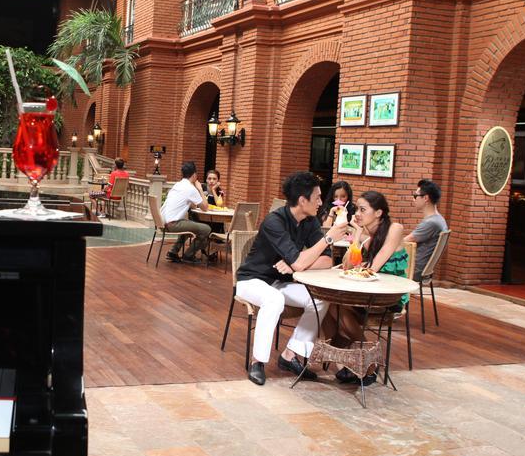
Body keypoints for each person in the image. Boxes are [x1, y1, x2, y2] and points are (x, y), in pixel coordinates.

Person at [236, 171, 351, 386]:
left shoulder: (309, 222)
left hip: (280, 282)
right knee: (273, 300)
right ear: (302, 200)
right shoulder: (274, 221)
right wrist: (327, 239)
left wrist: (295, 263)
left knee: (319, 298)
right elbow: (301, 263)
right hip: (251, 280)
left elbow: (326, 261)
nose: (320, 202)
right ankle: (257, 362)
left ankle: (291, 354)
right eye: (317, 197)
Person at [327, 191, 408, 386]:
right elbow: (348, 265)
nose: (358, 214)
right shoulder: (364, 233)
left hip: (389, 296)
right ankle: (355, 359)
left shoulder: (395, 228)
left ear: (379, 213)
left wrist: (360, 238)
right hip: (367, 292)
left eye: (363, 210)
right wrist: (356, 235)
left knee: (340, 308)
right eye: (357, 209)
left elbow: (374, 268)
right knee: (330, 305)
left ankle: (365, 362)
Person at [160, 161, 211, 263]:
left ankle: (173, 252)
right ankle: (188, 255)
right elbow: (205, 207)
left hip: (163, 222)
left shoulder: (178, 185)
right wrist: (200, 189)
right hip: (173, 224)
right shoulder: (191, 188)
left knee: (189, 224)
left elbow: (191, 204)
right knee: (206, 229)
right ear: (194, 175)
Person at [403, 179, 447, 281]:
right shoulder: (439, 219)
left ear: (426, 198)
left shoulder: (431, 223)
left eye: (415, 196)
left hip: (414, 269)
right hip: (421, 268)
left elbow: (406, 241)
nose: (413, 199)